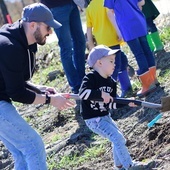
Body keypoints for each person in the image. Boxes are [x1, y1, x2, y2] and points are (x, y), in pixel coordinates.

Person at [0, 3, 75, 170]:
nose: (50, 32)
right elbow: (17, 93)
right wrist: (50, 100)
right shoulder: (8, 47)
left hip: (2, 98)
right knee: (33, 147)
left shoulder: (24, 41)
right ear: (33, 24)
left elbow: (16, 81)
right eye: (48, 27)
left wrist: (40, 89)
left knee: (21, 152)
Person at [78, 45, 154, 170]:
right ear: (100, 62)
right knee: (117, 137)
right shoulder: (90, 78)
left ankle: (119, 166)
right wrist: (100, 94)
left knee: (119, 138)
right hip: (93, 119)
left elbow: (112, 103)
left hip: (105, 116)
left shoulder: (111, 82)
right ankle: (129, 166)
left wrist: (126, 102)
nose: (114, 64)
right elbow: (82, 94)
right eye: (111, 61)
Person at [104, 0, 159, 98]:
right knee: (147, 50)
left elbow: (109, 12)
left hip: (126, 25)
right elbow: (142, 2)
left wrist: (118, 31)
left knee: (139, 54)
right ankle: (154, 79)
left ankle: (148, 84)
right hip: (139, 20)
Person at [86, 0, 132, 97]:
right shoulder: (106, 2)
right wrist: (120, 32)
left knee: (122, 61)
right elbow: (112, 17)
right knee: (115, 67)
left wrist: (91, 44)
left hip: (102, 42)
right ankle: (112, 94)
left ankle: (127, 88)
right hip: (112, 39)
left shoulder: (90, 8)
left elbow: (89, 29)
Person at [40, 0, 86, 95]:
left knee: (80, 41)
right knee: (66, 47)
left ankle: (83, 80)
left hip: (71, 3)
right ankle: (76, 86)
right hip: (56, 7)